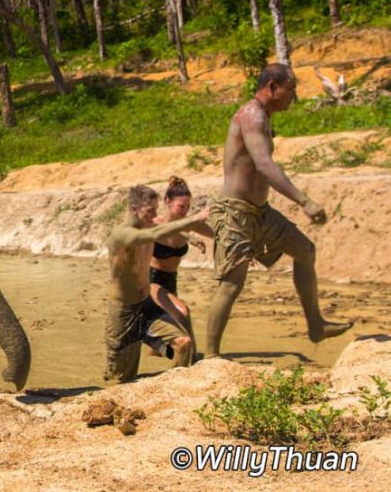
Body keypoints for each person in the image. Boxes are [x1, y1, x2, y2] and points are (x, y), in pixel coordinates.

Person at [205, 63, 353, 357]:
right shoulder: (252, 116)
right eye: (292, 88)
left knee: (305, 251)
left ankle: (316, 326)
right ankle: (210, 357)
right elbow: (264, 165)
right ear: (272, 86)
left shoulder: (264, 116)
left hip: (260, 212)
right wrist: (304, 201)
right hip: (234, 213)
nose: (294, 96)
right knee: (231, 285)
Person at [104, 185, 210, 383]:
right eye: (150, 210)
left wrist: (192, 237)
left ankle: (171, 388)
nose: (154, 215)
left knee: (184, 343)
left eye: (155, 209)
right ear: (134, 209)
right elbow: (152, 235)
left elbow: (164, 227)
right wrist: (194, 219)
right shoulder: (122, 234)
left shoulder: (151, 224)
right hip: (123, 312)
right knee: (122, 379)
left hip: (147, 304)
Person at [146, 176, 214, 355]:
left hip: (171, 282)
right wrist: (188, 236)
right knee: (182, 311)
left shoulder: (190, 224)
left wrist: (244, 248)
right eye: (181, 206)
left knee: (163, 343)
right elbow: (162, 230)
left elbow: (218, 235)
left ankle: (159, 349)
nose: (185, 211)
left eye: (188, 207)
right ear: (168, 202)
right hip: (151, 280)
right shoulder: (154, 224)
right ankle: (193, 359)